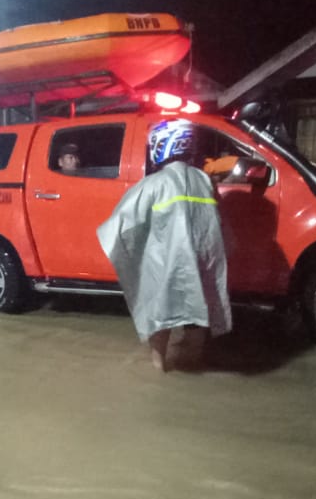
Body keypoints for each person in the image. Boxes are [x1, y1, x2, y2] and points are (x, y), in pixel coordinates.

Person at [96, 119, 231, 372]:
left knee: (161, 314)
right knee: (197, 311)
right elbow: (219, 222)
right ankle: (193, 365)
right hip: (204, 258)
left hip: (166, 261)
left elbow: (120, 225)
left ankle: (159, 368)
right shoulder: (205, 180)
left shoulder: (154, 183)